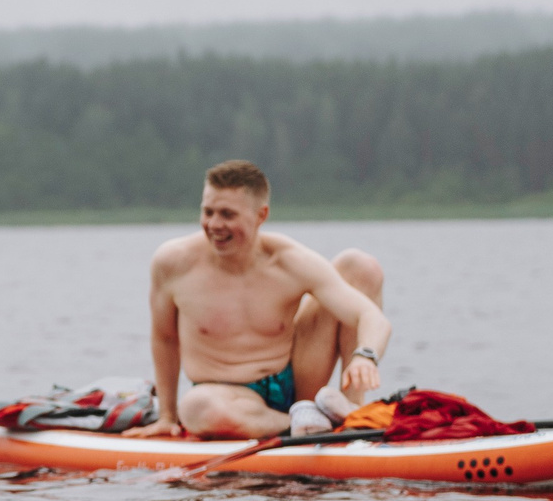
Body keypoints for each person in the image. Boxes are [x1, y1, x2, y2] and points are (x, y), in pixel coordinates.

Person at [134, 159, 392, 439]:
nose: (214, 225)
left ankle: (352, 414)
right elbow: (165, 338)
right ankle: (316, 424)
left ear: (261, 215)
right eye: (208, 212)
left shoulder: (287, 260)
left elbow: (372, 319)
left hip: (295, 377)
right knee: (197, 407)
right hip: (227, 398)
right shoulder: (173, 263)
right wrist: (167, 417)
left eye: (227, 214)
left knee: (360, 266)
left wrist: (365, 356)